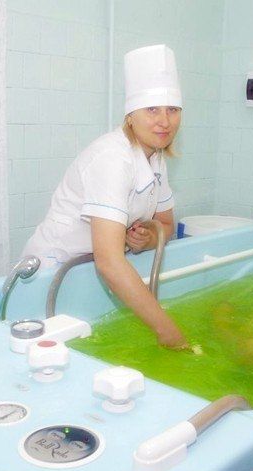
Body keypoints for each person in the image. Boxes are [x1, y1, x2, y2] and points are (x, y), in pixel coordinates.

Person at [21, 44, 186, 348]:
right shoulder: (112, 159)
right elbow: (109, 263)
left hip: (88, 272)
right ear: (131, 115)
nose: (164, 121)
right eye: (152, 109)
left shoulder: (156, 156)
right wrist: (169, 332)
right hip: (53, 274)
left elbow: (167, 226)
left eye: (172, 109)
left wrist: (146, 239)